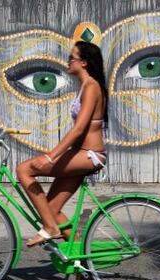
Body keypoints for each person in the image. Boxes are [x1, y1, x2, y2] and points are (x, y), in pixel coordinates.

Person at [16, 40, 108, 249]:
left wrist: (51, 156)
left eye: (71, 58)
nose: (68, 62)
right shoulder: (86, 86)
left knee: (23, 170)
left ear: (83, 63)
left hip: (89, 155)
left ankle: (49, 228)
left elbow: (78, 130)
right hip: (81, 153)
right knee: (52, 208)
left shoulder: (91, 86)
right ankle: (78, 261)